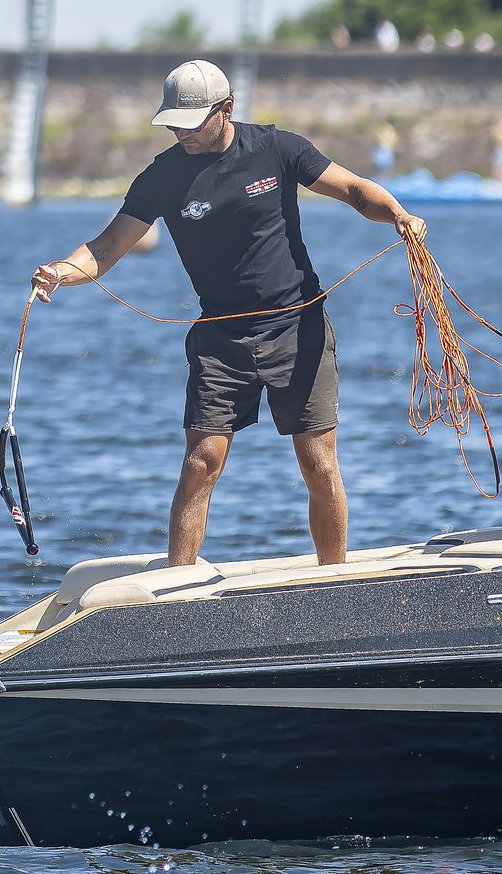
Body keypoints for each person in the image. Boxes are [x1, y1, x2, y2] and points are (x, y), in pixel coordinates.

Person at [30, 59, 426, 568]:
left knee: (317, 461)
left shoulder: (277, 149)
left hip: (296, 329)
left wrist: (398, 215)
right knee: (202, 461)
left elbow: (353, 191)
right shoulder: (163, 176)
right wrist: (62, 272)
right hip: (221, 340)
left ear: (227, 109)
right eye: (173, 122)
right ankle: (176, 589)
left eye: (191, 122)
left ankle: (334, 580)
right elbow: (106, 248)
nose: (182, 132)